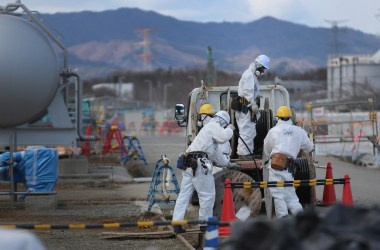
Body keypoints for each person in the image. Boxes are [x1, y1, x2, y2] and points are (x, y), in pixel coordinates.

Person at [173, 109, 234, 233]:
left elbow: (217, 155)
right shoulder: (213, 126)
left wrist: (228, 164)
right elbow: (223, 137)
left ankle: (177, 223)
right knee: (207, 195)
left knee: (184, 196)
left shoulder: (208, 133)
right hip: (199, 165)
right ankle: (204, 225)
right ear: (223, 122)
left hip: (189, 164)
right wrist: (230, 130)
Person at [263, 106, 314, 218]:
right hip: (290, 167)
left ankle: (283, 220)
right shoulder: (299, 131)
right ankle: (302, 218)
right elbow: (309, 147)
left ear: (278, 118)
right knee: (290, 195)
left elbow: (267, 148)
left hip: (276, 165)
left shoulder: (273, 131)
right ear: (290, 117)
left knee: (278, 195)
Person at [235, 54, 270, 159]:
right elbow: (247, 92)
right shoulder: (249, 75)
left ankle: (248, 152)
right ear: (259, 65)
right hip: (245, 105)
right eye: (263, 68)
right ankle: (243, 153)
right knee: (246, 130)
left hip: (246, 105)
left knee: (250, 130)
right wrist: (252, 103)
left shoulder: (251, 75)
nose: (263, 71)